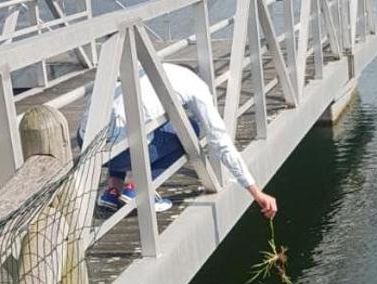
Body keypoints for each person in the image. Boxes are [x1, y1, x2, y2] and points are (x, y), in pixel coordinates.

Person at [77, 63, 278, 219]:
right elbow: (219, 139)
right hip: (121, 152)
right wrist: (256, 192)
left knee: (128, 118)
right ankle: (138, 188)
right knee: (190, 129)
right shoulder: (195, 85)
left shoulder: (149, 69)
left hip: (86, 144)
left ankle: (112, 190)